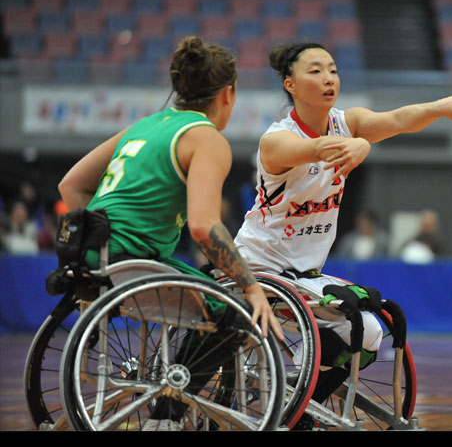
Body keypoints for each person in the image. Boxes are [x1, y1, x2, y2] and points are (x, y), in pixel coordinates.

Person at [232, 42, 452, 426]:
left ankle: (295, 400)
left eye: (332, 69)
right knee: (354, 322)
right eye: (314, 71)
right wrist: (361, 142)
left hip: (303, 275)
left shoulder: (347, 121)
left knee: (367, 333)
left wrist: (438, 107)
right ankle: (293, 400)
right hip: (257, 266)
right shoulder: (277, 139)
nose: (328, 78)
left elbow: (397, 119)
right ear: (291, 85)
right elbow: (319, 148)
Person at [57, 36, 284, 430]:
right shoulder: (207, 138)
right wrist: (251, 288)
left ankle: (171, 402)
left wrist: (107, 225)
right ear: (228, 94)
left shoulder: (143, 125)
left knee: (209, 295)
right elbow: (203, 226)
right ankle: (167, 416)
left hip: (87, 252)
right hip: (133, 260)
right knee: (242, 313)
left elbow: (70, 186)